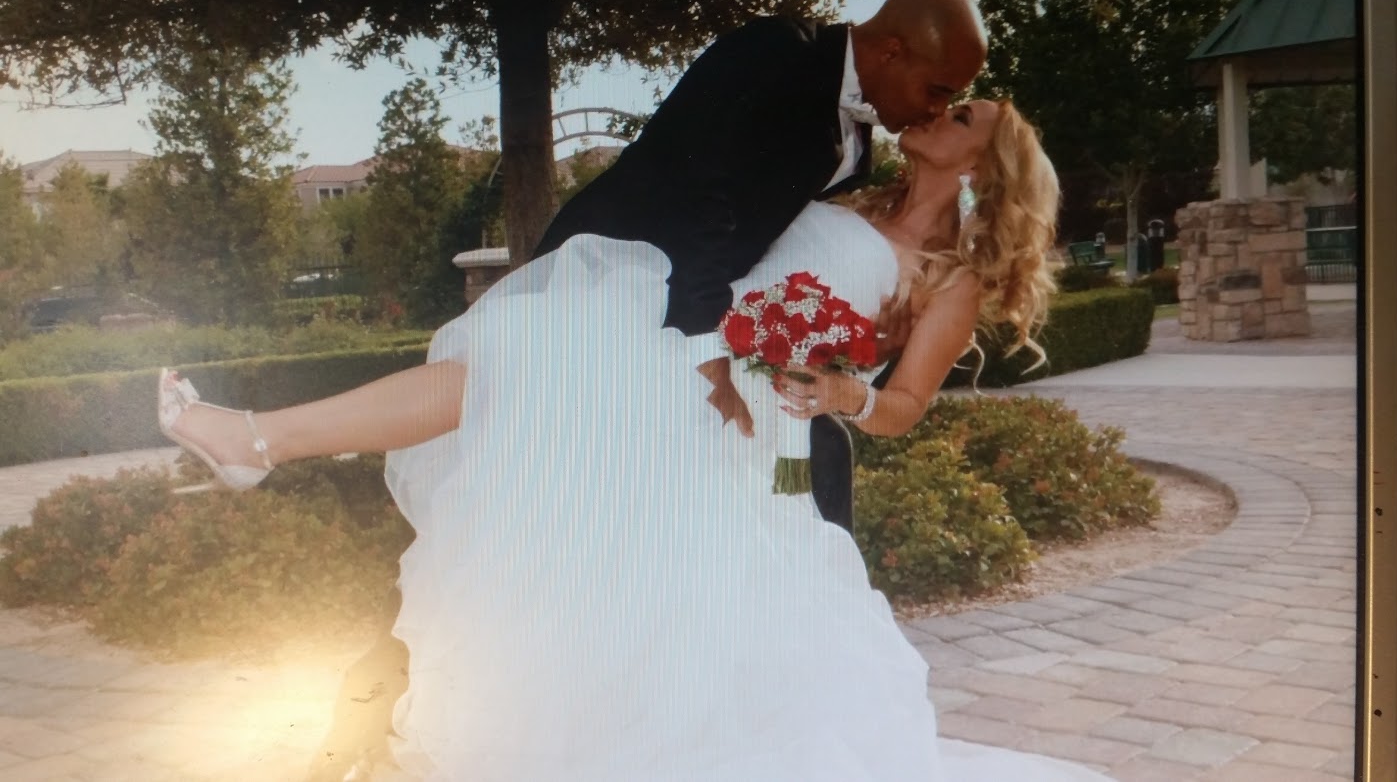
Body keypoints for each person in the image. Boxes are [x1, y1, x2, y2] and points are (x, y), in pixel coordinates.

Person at [158, 98, 1115, 781]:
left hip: (734, 414)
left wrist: (839, 392)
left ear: (984, 167)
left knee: (526, 380)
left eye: (963, 116)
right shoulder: (846, 197)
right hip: (678, 349)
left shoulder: (950, 278)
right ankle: (258, 439)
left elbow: (905, 405)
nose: (940, 110)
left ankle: (259, 440)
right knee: (520, 366)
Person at [296, 0, 986, 779]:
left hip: (714, 376)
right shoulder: (774, 53)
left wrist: (842, 357)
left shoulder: (859, 154)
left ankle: (693, 734)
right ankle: (376, 710)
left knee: (656, 561)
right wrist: (707, 350)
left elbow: (775, 260)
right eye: (940, 91)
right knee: (517, 519)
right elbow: (705, 202)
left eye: (957, 106)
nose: (937, 108)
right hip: (616, 313)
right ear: (892, 50)